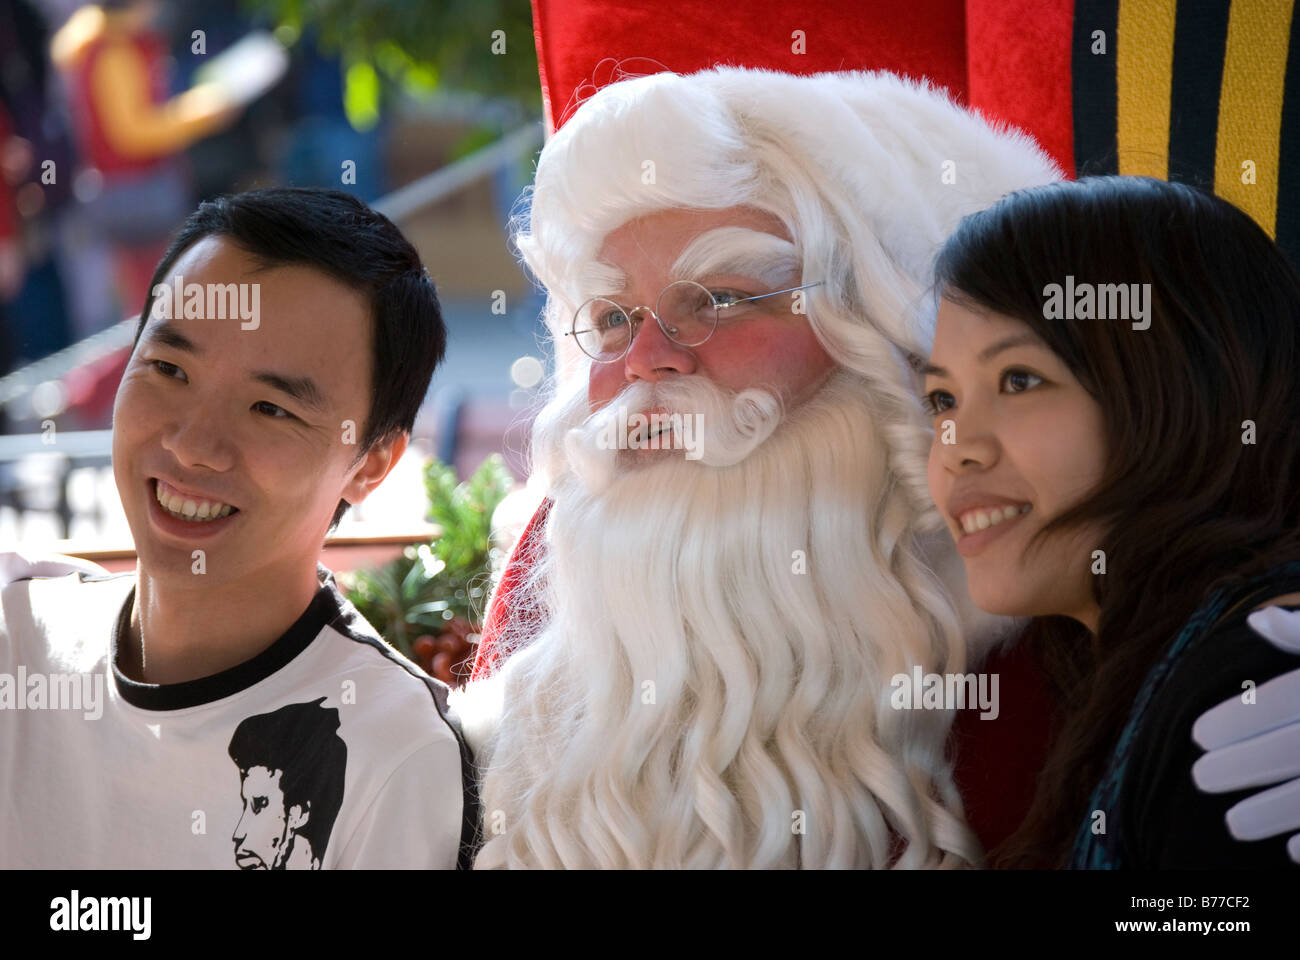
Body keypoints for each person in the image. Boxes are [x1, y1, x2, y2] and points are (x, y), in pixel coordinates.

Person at [452, 66, 1064, 869]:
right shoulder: (559, 538)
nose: (646, 360)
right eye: (610, 317)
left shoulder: (1022, 622)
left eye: (719, 300)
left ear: (877, 335)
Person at [0, 187, 478, 868]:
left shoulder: (389, 754)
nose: (195, 444)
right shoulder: (16, 639)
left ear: (370, 465)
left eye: (271, 409)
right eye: (169, 369)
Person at [922, 175, 1300, 868]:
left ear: (1181, 392)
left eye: (1018, 380)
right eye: (941, 399)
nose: (955, 447)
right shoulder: (1129, 664)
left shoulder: (1259, 677)